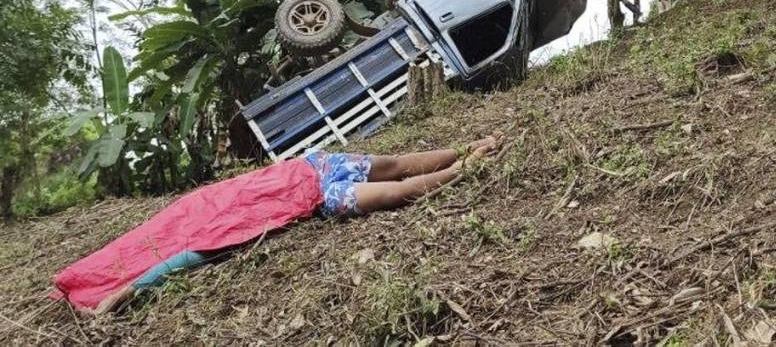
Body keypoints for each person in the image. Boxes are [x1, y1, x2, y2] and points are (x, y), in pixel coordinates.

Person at [55, 136, 503, 315]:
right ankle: (464, 167)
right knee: (391, 193)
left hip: (315, 167)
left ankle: (467, 148)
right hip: (318, 199)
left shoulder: (197, 204)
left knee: (391, 165)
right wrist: (126, 292)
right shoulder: (203, 238)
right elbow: (175, 261)